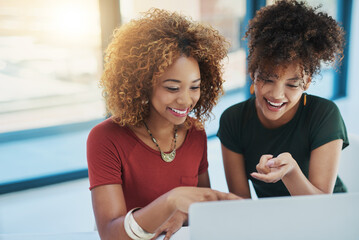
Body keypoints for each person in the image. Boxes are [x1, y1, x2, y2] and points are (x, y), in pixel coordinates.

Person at [87, 8, 239, 240]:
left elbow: (198, 209)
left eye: (194, 87)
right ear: (143, 83)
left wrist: (183, 214)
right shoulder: (105, 138)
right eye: (172, 88)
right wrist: (171, 202)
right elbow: (110, 233)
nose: (186, 100)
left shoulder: (195, 131)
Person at [217, 0, 349, 199]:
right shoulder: (233, 120)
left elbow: (321, 207)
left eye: (292, 84)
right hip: (272, 220)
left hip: (329, 216)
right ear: (252, 73)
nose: (277, 95)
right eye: (268, 79)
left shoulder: (324, 114)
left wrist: (290, 172)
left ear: (306, 83)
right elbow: (240, 204)